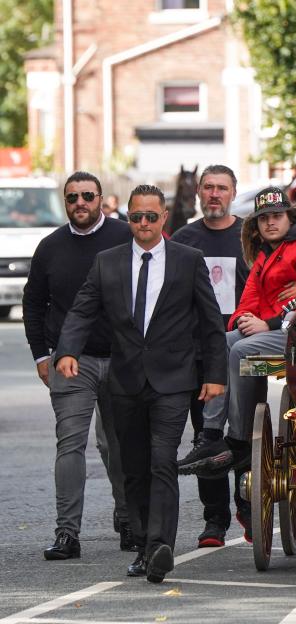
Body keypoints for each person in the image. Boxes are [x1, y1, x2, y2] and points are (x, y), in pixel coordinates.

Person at [54, 184, 227, 583]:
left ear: (164, 218)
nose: (144, 224)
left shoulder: (188, 260)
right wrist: (67, 351)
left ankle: (157, 546)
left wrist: (216, 376)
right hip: (126, 381)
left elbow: (211, 323)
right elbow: (81, 311)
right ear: (126, 218)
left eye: (151, 217)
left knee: (162, 460)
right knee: (132, 468)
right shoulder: (106, 262)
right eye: (136, 217)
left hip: (173, 380)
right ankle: (147, 542)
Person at [178, 189, 296, 493]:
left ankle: (238, 438)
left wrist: (268, 322)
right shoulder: (266, 254)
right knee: (223, 340)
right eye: (264, 219)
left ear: (291, 217)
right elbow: (246, 300)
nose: (270, 223)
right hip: (273, 330)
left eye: (277, 216)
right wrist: (245, 321)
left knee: (240, 350)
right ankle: (210, 434)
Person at [23, 171, 132, 560]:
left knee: (117, 444)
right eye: (72, 198)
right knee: (70, 444)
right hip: (71, 361)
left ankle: (128, 517)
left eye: (87, 195)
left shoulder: (126, 237)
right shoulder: (50, 247)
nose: (80, 203)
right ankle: (67, 533)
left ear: (102, 198)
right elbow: (33, 303)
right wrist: (41, 354)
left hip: (122, 360)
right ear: (65, 202)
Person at [171, 165, 250, 548]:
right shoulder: (184, 239)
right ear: (199, 194)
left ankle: (248, 507)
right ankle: (214, 520)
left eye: (221, 188)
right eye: (208, 188)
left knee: (245, 433)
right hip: (198, 354)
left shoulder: (249, 236)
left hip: (240, 352)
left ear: (233, 192)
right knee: (208, 436)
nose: (214, 194)